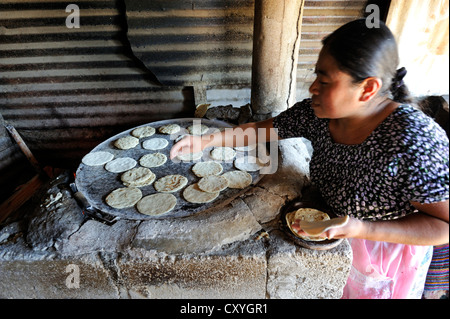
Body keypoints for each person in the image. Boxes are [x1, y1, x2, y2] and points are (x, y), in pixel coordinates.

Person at [170, 19, 449, 299]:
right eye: (316, 76)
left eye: (325, 81)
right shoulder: (319, 114)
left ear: (367, 88)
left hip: (383, 249)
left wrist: (360, 228)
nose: (313, 88)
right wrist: (207, 139)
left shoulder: (414, 142)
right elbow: (265, 129)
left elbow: (444, 227)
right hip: (333, 229)